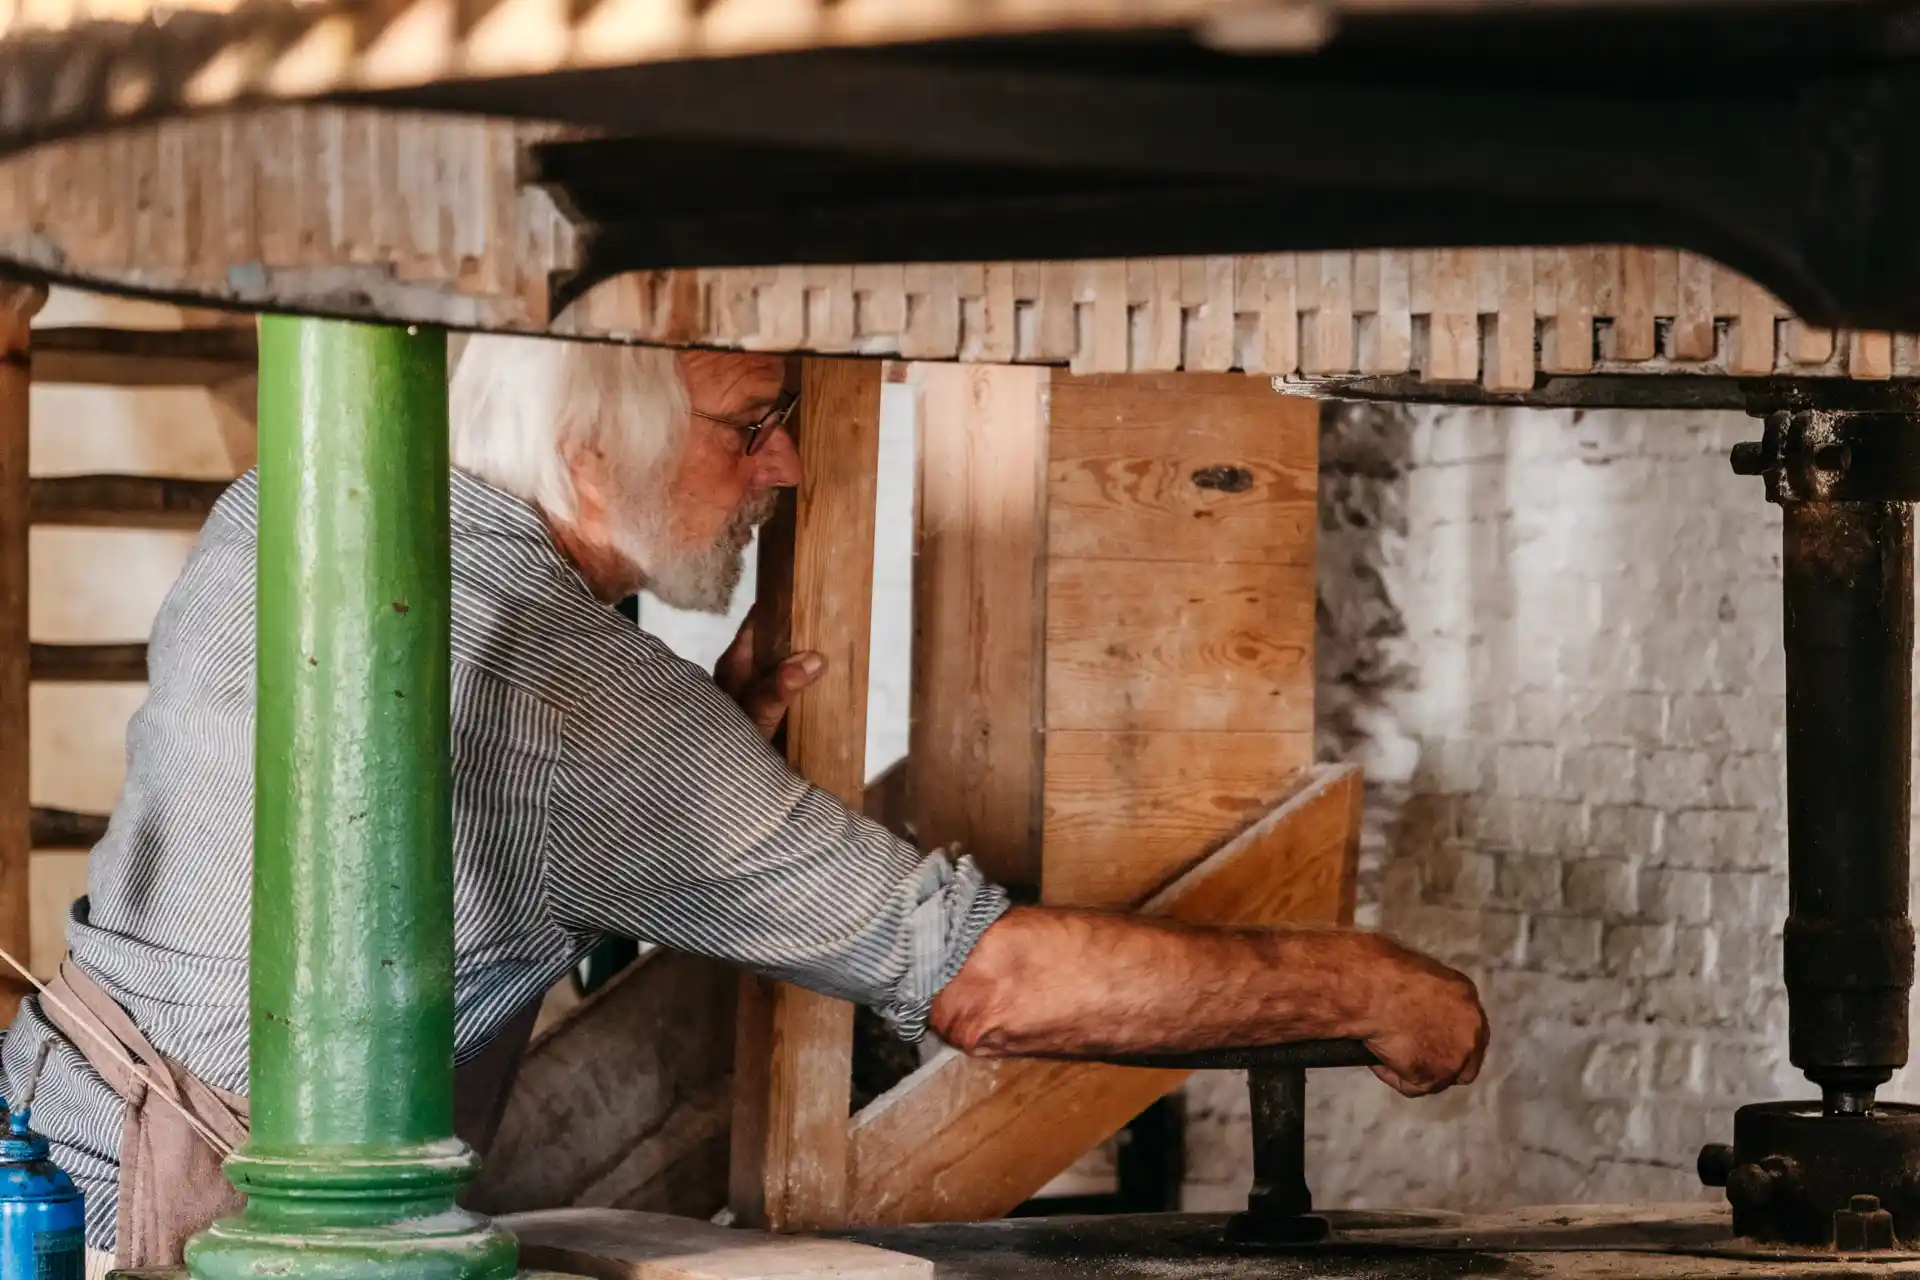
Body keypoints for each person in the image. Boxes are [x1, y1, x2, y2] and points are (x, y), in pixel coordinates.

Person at [3, 336, 1488, 1277]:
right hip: (180, 1233)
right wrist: (1350, 980)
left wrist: (684, 747)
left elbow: (445, 824)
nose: (783, 464)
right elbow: (988, 982)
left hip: (38, 1146)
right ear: (591, 458)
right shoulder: (570, 693)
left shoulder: (289, 507)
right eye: (750, 421)